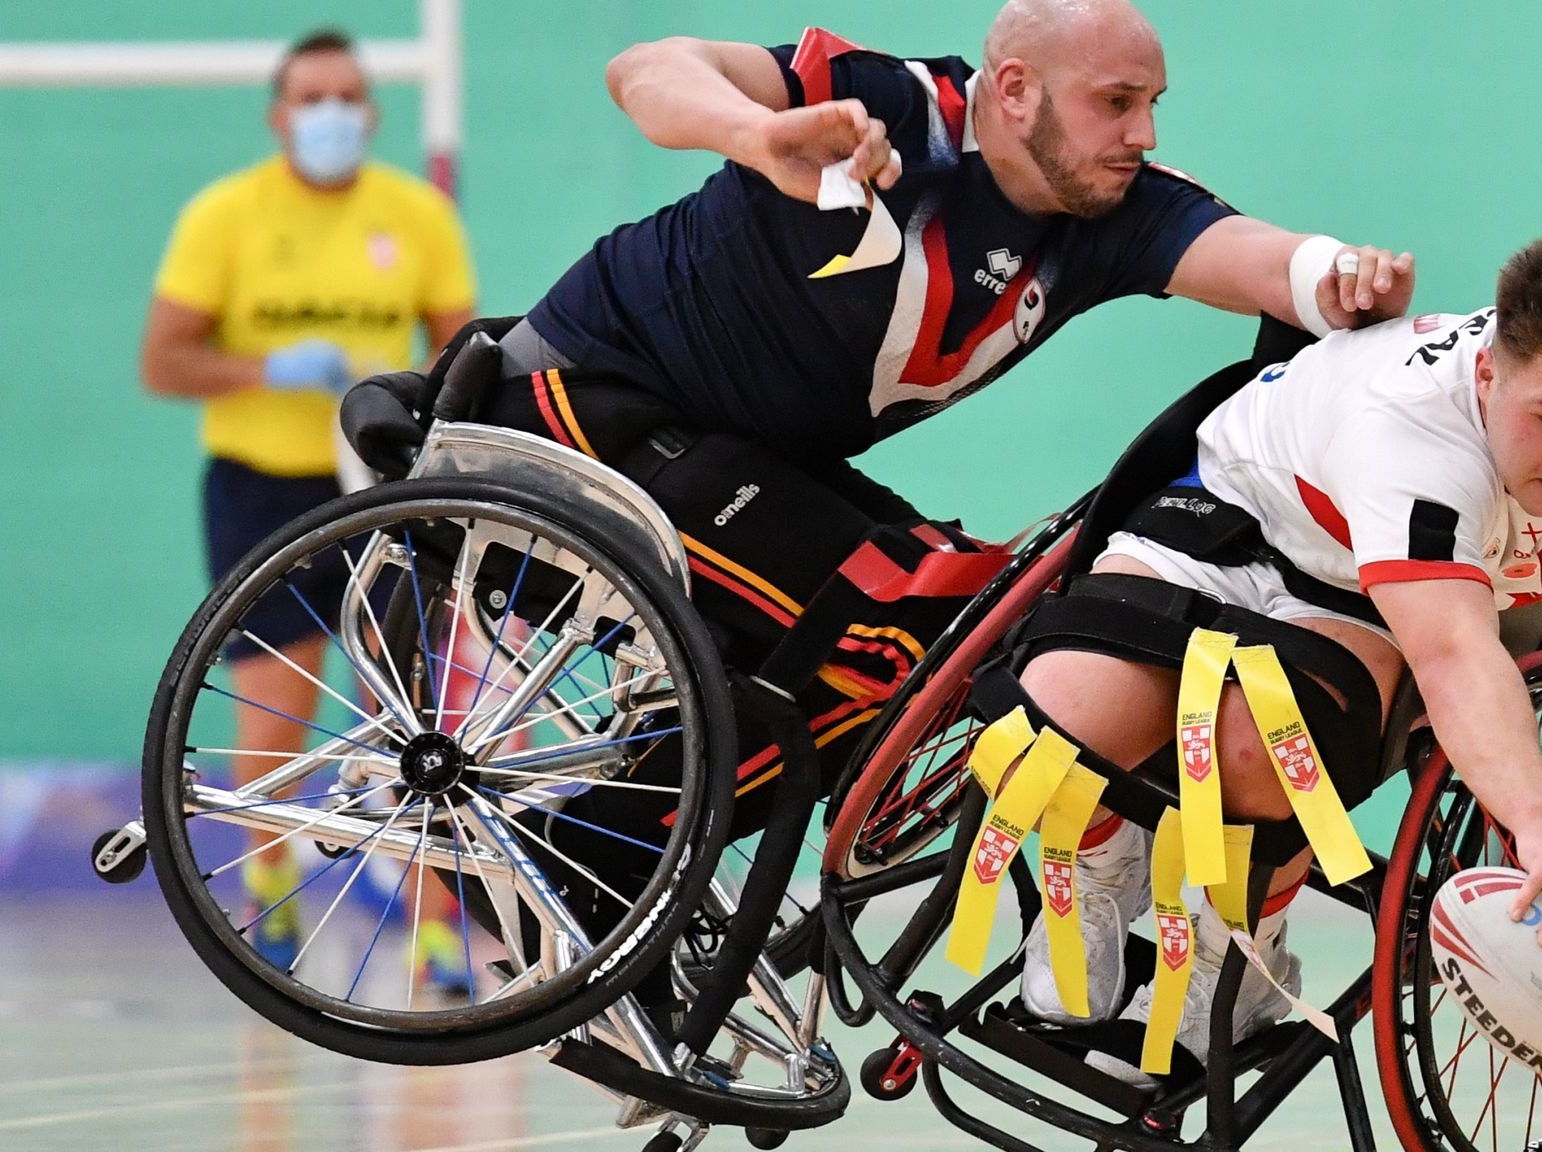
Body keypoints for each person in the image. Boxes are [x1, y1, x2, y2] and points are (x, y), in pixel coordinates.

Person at [466, 0, 1413, 803]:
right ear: (1014, 91)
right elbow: (645, 68)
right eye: (1116, 104)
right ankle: (589, 860)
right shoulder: (891, 109)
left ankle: (618, 863)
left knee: (967, 635)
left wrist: (1342, 274)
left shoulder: (1112, 211)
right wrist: (756, 136)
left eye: (1152, 104)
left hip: (744, 458)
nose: (1144, 134)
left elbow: (1267, 261)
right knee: (898, 640)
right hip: (577, 402)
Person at [1010, 234, 1542, 1083]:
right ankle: (1101, 875)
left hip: (1374, 597)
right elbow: (1456, 655)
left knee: (1259, 751)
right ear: (1487, 376)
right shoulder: (1414, 425)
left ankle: (1240, 962)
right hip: (1240, 506)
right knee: (1049, 725)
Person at [139, 27, 478, 974]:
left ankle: (436, 921)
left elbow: (465, 352)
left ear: (370, 111)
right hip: (265, 487)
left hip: (377, 487)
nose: (329, 114)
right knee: (279, 713)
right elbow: (163, 360)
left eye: (346, 97)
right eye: (310, 97)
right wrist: (266, 367)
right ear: (279, 114)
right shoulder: (227, 216)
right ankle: (268, 884)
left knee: (413, 715)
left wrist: (408, 389)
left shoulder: (416, 215)